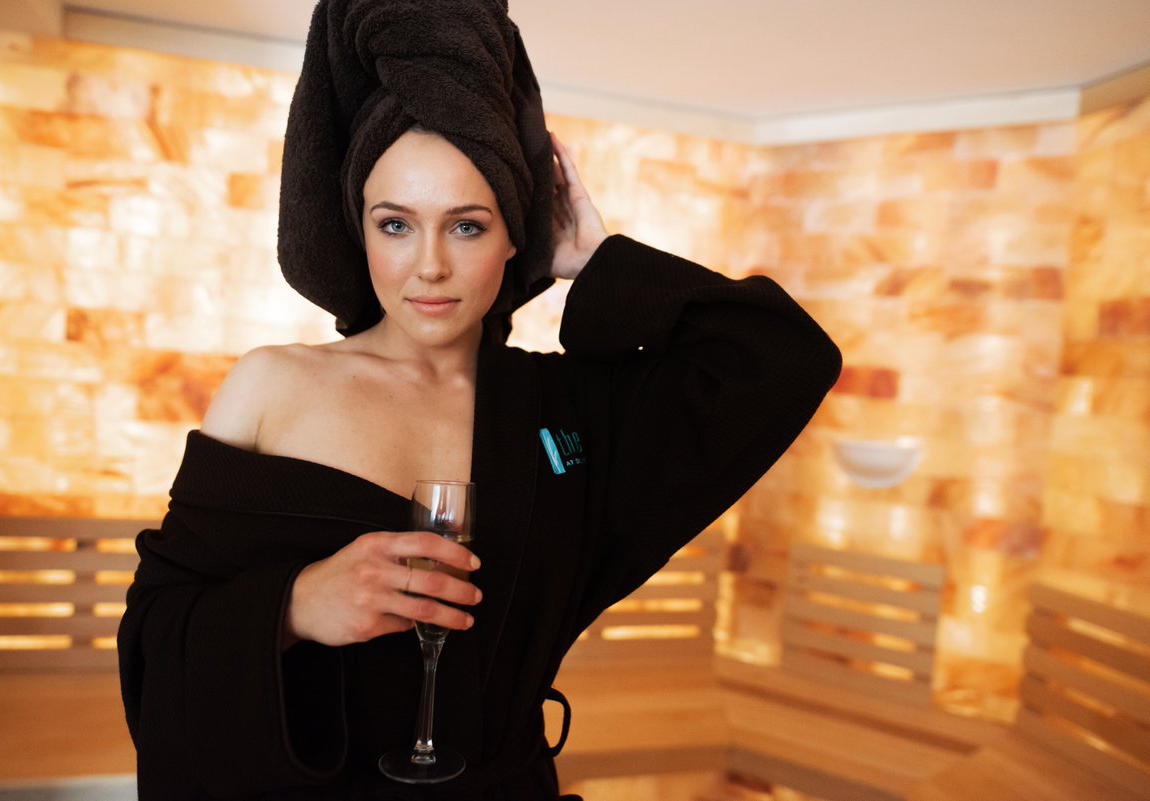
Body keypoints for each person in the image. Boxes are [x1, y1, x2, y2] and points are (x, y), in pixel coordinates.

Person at [116, 0, 842, 799]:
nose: (429, 265)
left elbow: (786, 358)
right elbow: (156, 635)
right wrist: (297, 604)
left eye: (466, 226)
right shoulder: (270, 387)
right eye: (395, 224)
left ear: (515, 236)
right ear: (358, 228)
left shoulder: (564, 412)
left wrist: (598, 260)